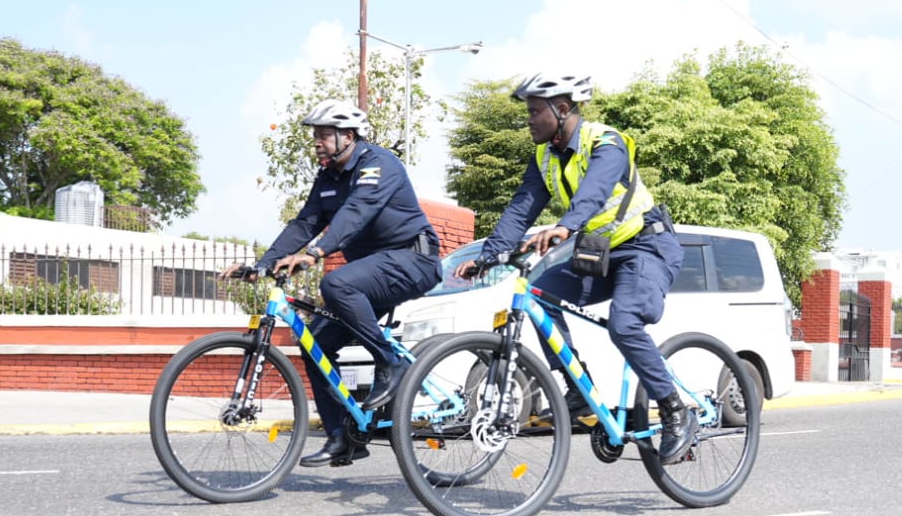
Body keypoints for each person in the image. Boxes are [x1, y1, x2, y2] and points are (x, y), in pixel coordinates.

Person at [456, 72, 693, 463]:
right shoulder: (545, 156)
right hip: (599, 253)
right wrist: (487, 256)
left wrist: (565, 226)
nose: (528, 120)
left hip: (647, 246)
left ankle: (674, 410)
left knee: (624, 323)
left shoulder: (606, 142)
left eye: (534, 112)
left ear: (562, 109)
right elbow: (521, 209)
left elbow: (593, 192)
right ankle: (577, 390)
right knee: (540, 294)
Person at [224, 99, 441, 467]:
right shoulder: (328, 177)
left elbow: (358, 212)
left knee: (337, 284)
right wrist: (262, 266)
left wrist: (316, 254)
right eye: (316, 136)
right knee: (315, 343)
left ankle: (390, 363)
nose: (317, 143)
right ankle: (343, 437)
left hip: (413, 260)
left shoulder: (379, 164)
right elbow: (305, 223)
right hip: (374, 271)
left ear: (348, 136)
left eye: (324, 135)